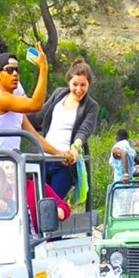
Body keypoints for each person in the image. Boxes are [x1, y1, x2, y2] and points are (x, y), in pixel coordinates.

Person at [27, 58, 99, 199]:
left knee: (53, 204)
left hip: (64, 162)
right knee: (36, 203)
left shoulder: (91, 106)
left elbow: (84, 131)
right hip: (44, 157)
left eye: (83, 85)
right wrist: (17, 115)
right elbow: (39, 117)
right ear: (69, 82)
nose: (78, 90)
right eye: (75, 84)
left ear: (89, 84)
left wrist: (75, 147)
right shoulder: (59, 94)